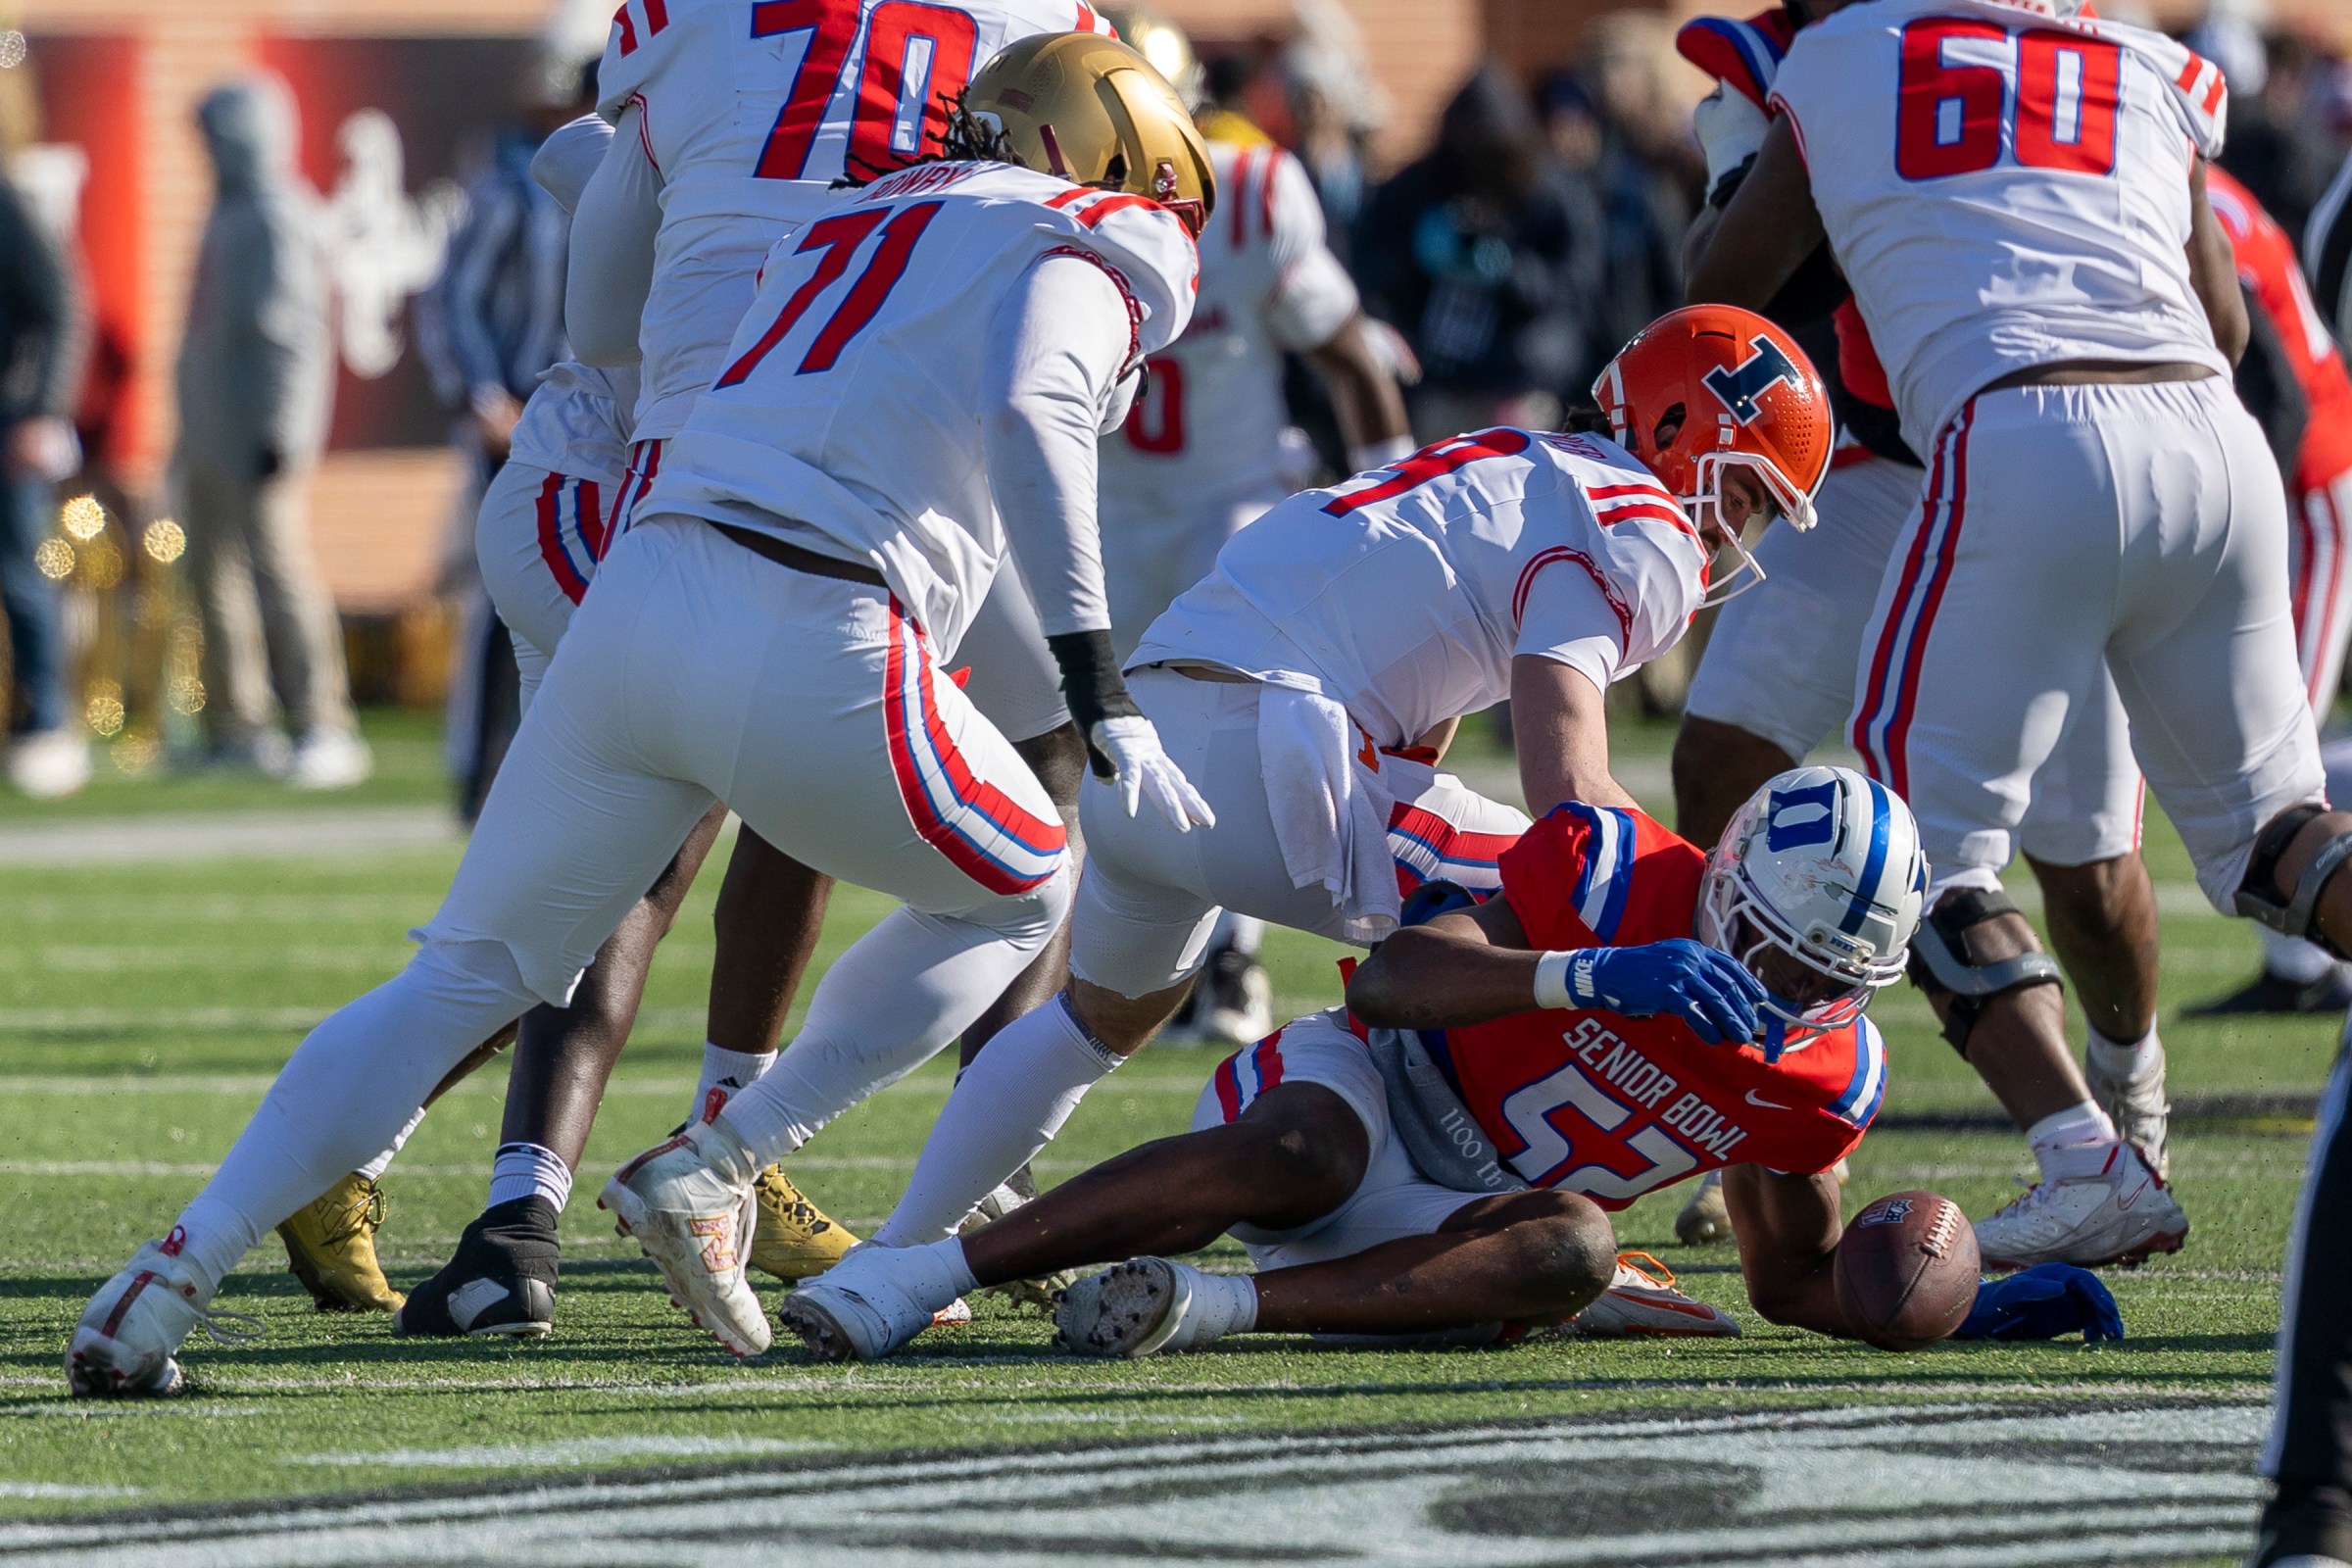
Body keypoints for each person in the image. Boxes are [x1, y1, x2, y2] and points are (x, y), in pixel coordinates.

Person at [64, 32, 1213, 1396]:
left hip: (641, 586)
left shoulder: (857, 207)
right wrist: (1096, 680)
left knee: (458, 977)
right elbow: (1034, 408)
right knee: (1028, 886)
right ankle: (722, 1157)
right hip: (823, 617)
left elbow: (614, 304)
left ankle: (171, 1269)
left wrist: (603, 168)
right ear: (1117, 159)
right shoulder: (1110, 234)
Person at [374, 0, 1135, 1340]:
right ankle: (847, 1167)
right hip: (829, 469)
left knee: (627, 839)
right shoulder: (1043, 32)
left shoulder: (687, 25)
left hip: (644, 469)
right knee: (960, 789)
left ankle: (512, 1206)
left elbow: (605, 273)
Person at [846, 302, 1835, 1276]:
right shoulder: (1643, 525)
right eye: (1742, 491)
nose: (1734, 531)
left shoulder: (1513, 462)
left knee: (1093, 1021)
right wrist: (1722, 915)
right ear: (1675, 427)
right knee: (1593, 912)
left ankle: (899, 1255)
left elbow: (1424, 705)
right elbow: (1571, 794)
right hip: (1269, 756)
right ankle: (1452, 1209)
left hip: (1150, 734)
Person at [1687, 0, 2352, 1273]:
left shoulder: (1834, 53)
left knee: (1906, 863)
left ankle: (2087, 1161)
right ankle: (2094, 1141)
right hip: (2210, 438)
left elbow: (1720, 293)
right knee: (2278, 841)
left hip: (2020, 432)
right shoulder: (2137, 54)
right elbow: (2223, 321)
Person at [775, 766, 1942, 1361]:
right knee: (1303, 1151)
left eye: (1816, 979)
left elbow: (1793, 1277)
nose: (1782, 994)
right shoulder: (1618, 873)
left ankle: (1213, 1308)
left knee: (1577, 1242)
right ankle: (917, 1279)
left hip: (1461, 1222)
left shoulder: (1822, 1074)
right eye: (1767, 951)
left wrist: (1950, 1300)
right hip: (1375, 1086)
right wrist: (1591, 972)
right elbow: (1392, 980)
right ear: (1726, 883)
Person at [1098, 5, 1415, 1049]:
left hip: (1217, 509)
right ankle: (1102, 966)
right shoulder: (1036, 200)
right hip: (1093, 508)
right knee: (1085, 750)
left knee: (1212, 738)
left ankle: (1228, 964)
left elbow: (1349, 352)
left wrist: (1389, 510)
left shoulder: (1247, 194)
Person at [2188, 166, 2352, 1016]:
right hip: (2295, 490)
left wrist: (2246, 525)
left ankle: (2311, 970)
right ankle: (2299, 973)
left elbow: (2280, 396)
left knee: (2275, 731)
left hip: (2314, 496)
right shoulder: (2195, 181)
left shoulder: (2192, 197)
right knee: (2257, 735)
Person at [174, 74, 368, 791]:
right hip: (210, 432)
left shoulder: (278, 214)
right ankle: (238, 726)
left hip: (258, 436)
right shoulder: (226, 212)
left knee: (280, 574)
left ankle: (325, 722)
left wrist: (281, 430)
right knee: (212, 578)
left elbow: (294, 337)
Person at [1354, 64, 1606, 438]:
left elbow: (1576, 288)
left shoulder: (1554, 195)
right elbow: (1375, 277)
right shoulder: (1417, 189)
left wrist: (1509, 272)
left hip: (1522, 386)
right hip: (1441, 388)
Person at [0, 165, 86, 798]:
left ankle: (49, 723)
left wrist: (40, 410)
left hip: (7, 421)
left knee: (18, 575)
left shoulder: (8, 202)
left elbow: (62, 305)